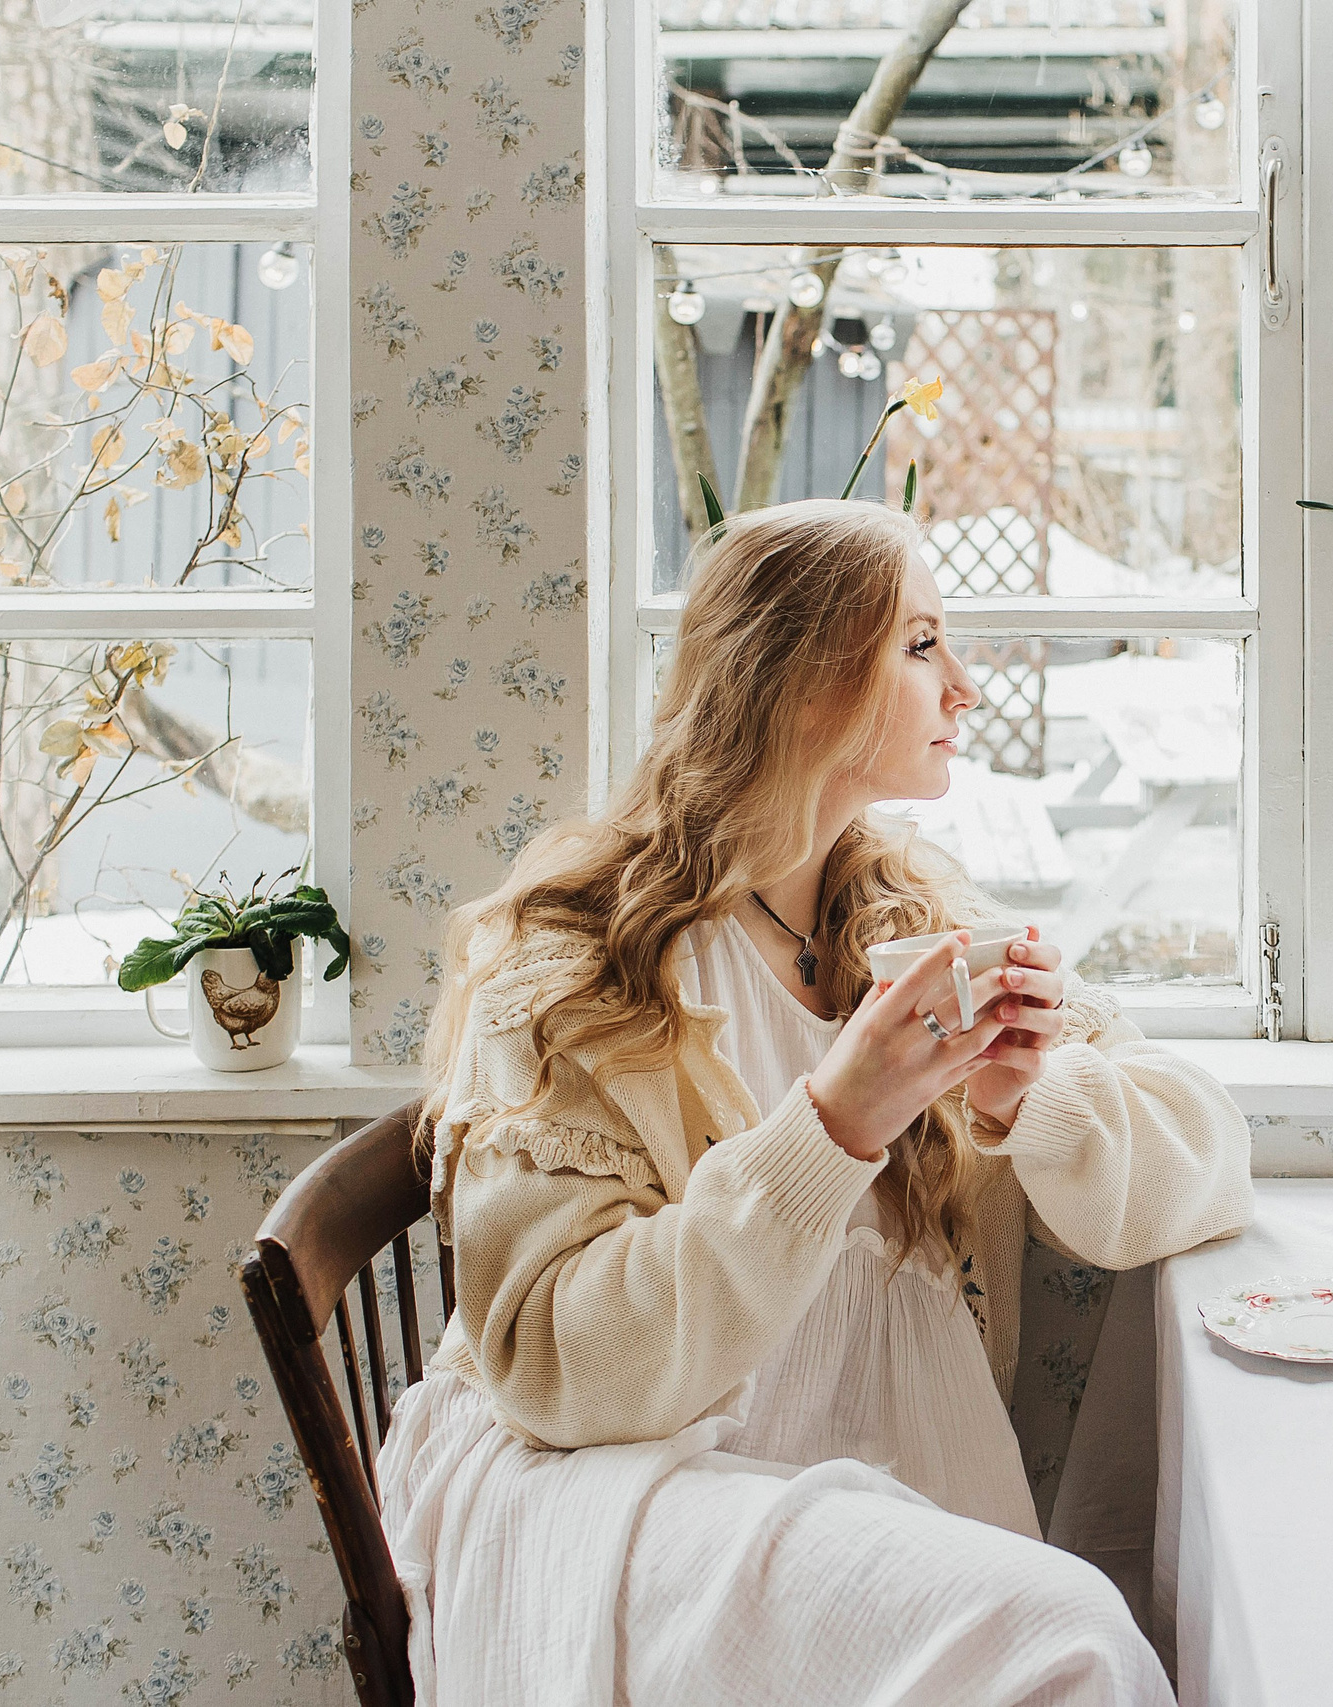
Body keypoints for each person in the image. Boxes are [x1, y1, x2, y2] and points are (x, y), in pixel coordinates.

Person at [378, 499, 1252, 1707]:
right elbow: (555, 1365)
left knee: (1080, 1614)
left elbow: (1210, 1163)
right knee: (1073, 1636)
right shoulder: (579, 959)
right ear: (800, 686)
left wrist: (1031, 1095)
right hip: (619, 1479)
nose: (969, 687)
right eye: (922, 644)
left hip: (862, 1445)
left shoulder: (904, 917)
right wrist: (830, 1129)